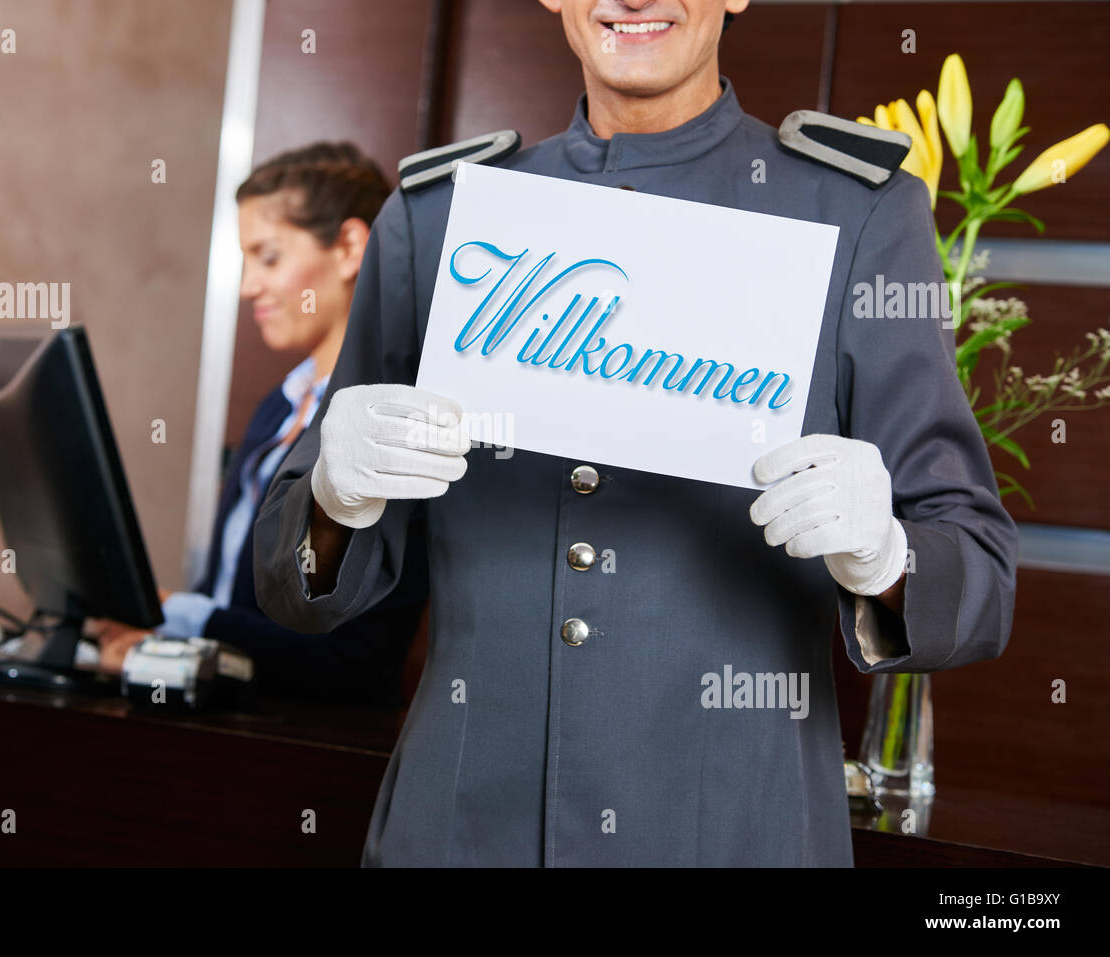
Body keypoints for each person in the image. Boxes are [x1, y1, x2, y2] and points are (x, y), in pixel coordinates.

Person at [252, 0, 1019, 865]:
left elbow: (981, 580)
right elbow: (292, 589)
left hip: (734, 832)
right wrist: (330, 501)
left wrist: (887, 557)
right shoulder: (436, 219)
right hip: (461, 833)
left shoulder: (855, 213)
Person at [98, 142, 429, 708]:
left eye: (268, 257)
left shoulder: (388, 423)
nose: (249, 286)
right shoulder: (280, 406)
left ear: (350, 247)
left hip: (299, 744)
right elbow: (228, 598)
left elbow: (350, 661)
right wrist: (159, 635)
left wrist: (182, 615)